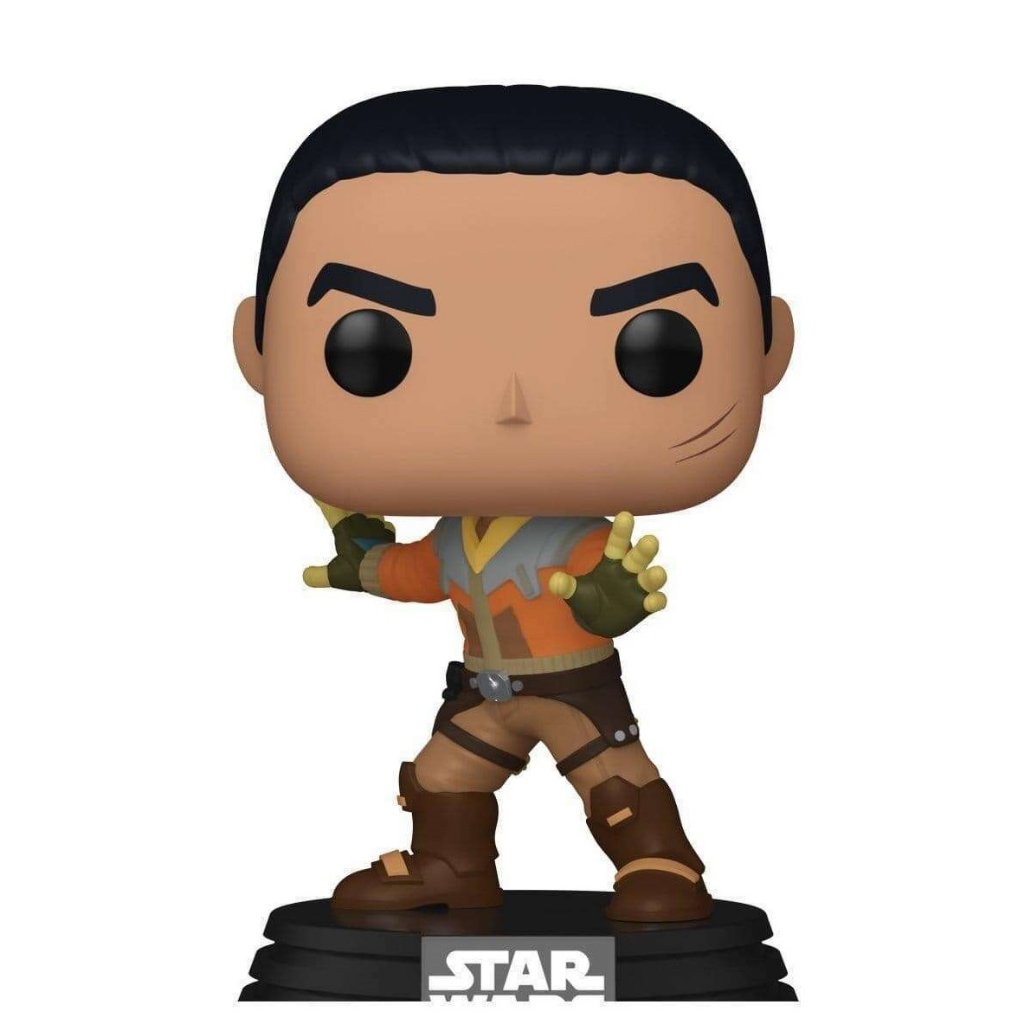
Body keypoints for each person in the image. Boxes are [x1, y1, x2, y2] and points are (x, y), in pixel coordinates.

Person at [233, 86, 794, 922]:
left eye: (654, 348)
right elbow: (421, 574)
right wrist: (364, 564)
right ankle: (451, 867)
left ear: (767, 347)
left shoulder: (575, 540)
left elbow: (598, 590)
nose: (512, 404)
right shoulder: (456, 536)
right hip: (484, 690)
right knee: (441, 774)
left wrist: (609, 598)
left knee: (614, 780)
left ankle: (662, 864)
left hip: (575, 687)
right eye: (372, 350)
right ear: (258, 348)